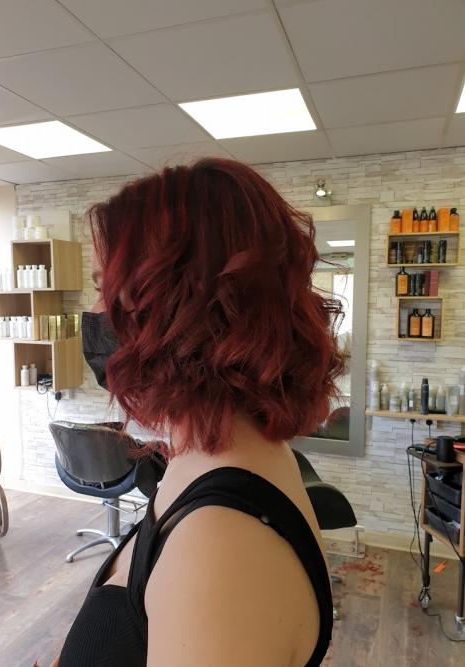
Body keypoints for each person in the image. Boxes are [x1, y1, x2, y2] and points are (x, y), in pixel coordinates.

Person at [50, 158, 344, 667]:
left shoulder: (222, 547)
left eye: (106, 289)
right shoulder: (208, 458)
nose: (96, 314)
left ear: (179, 307)